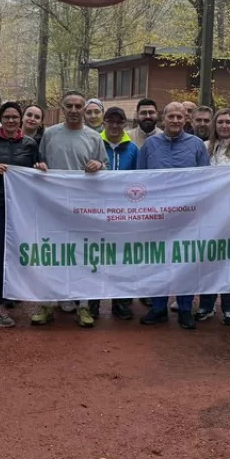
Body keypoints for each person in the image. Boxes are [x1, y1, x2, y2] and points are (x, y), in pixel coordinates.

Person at [34, 91, 105, 327]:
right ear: (62, 108)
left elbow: (104, 170)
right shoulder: (50, 134)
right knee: (52, 255)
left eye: (78, 106)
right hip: (53, 207)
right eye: (69, 106)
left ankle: (83, 306)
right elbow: (40, 163)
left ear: (85, 109)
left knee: (83, 256)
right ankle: (47, 304)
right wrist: (40, 166)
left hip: (83, 208)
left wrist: (99, 165)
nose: (74, 110)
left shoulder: (94, 138)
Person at [137, 101, 209, 328]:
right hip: (156, 216)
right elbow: (139, 179)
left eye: (180, 117)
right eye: (171, 117)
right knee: (158, 261)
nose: (176, 121)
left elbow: (207, 180)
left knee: (185, 261)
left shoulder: (197, 145)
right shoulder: (150, 145)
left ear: (185, 120)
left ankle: (185, 308)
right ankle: (158, 308)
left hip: (187, 217)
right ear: (163, 118)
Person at [0, 101, 46, 326]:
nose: (11, 121)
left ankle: (11, 295)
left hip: (19, 210)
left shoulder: (30, 144)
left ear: (20, 120)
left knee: (17, 255)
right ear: (1, 118)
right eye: (6, 117)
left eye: (15, 117)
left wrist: (40, 170)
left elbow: (36, 175)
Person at [197, 108, 230, 325]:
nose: (224, 126)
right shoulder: (204, 148)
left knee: (229, 259)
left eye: (228, 122)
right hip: (207, 213)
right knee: (207, 259)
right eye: (220, 122)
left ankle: (229, 307)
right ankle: (206, 305)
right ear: (214, 125)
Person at [99, 106, 137, 321]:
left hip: (124, 213)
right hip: (95, 212)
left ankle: (121, 302)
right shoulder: (95, 142)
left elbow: (141, 180)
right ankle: (93, 302)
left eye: (119, 121)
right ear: (104, 122)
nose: (114, 125)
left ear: (125, 124)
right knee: (95, 256)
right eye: (110, 121)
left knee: (123, 259)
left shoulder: (132, 149)